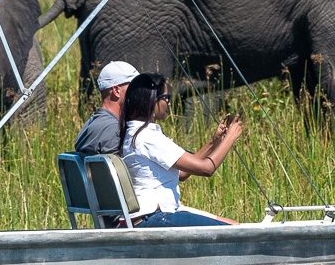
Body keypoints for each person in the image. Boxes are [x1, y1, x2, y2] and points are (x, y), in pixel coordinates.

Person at [118, 73, 244, 227]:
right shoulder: (148, 137)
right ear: (152, 100)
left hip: (150, 215)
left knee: (233, 225)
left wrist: (214, 142)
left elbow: (183, 173)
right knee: (231, 232)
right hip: (156, 217)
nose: (169, 103)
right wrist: (231, 137)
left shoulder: (135, 132)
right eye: (166, 98)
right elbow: (207, 169)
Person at [75, 61, 138, 155]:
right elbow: (119, 169)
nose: (140, 92)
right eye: (135, 86)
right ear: (116, 91)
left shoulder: (89, 125)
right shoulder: (114, 129)